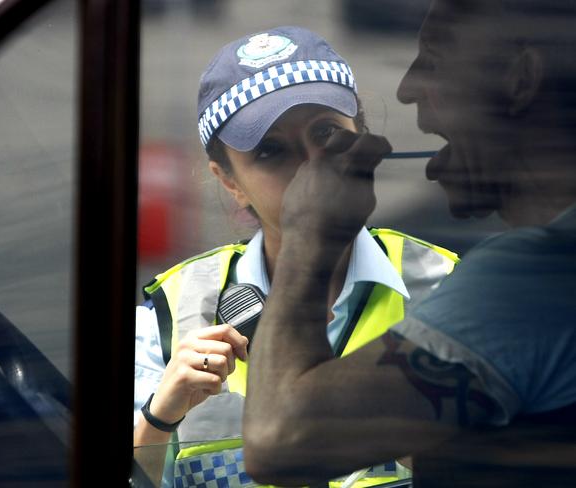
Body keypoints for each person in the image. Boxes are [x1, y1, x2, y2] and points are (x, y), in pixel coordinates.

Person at [242, 2, 576, 487]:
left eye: (434, 60)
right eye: (269, 150)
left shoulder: (531, 277)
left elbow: (279, 442)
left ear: (520, 78)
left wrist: (309, 238)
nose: (407, 88)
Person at [133, 26, 461, 487]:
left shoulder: (451, 290)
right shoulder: (167, 320)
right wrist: (159, 418)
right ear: (229, 181)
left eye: (327, 133)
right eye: (270, 151)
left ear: (361, 136)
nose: (311, 163)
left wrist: (435, 452)